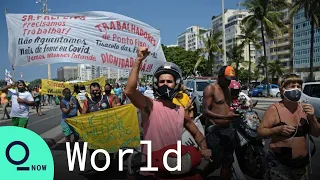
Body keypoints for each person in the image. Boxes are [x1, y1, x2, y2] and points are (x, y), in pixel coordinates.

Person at [125, 47, 211, 178]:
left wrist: (204, 148)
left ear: (176, 84)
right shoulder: (149, 105)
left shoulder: (180, 111)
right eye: (162, 81)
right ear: (156, 84)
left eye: (169, 81)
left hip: (174, 168)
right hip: (151, 171)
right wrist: (138, 60)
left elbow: (196, 132)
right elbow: (130, 91)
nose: (165, 84)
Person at [257, 73, 320, 180]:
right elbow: (260, 132)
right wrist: (277, 129)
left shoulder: (304, 108)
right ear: (282, 90)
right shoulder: (274, 109)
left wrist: (312, 117)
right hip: (279, 165)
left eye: (298, 86)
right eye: (292, 86)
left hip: (301, 166)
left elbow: (317, 134)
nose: (296, 89)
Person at [202, 65, 240, 180]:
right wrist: (224, 116)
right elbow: (205, 111)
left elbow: (227, 107)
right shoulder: (211, 88)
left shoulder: (227, 90)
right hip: (214, 130)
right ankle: (200, 176)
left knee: (228, 162)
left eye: (230, 80)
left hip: (228, 129)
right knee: (215, 162)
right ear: (220, 77)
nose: (229, 82)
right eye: (227, 79)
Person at [81, 82, 112, 172]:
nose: (95, 92)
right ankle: (96, 166)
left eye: (96, 90)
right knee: (92, 149)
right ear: (90, 91)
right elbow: (83, 116)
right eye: (93, 91)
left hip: (107, 129)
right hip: (93, 131)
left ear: (100, 90)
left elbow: (116, 111)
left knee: (109, 148)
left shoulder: (108, 99)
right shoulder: (87, 102)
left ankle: (109, 164)